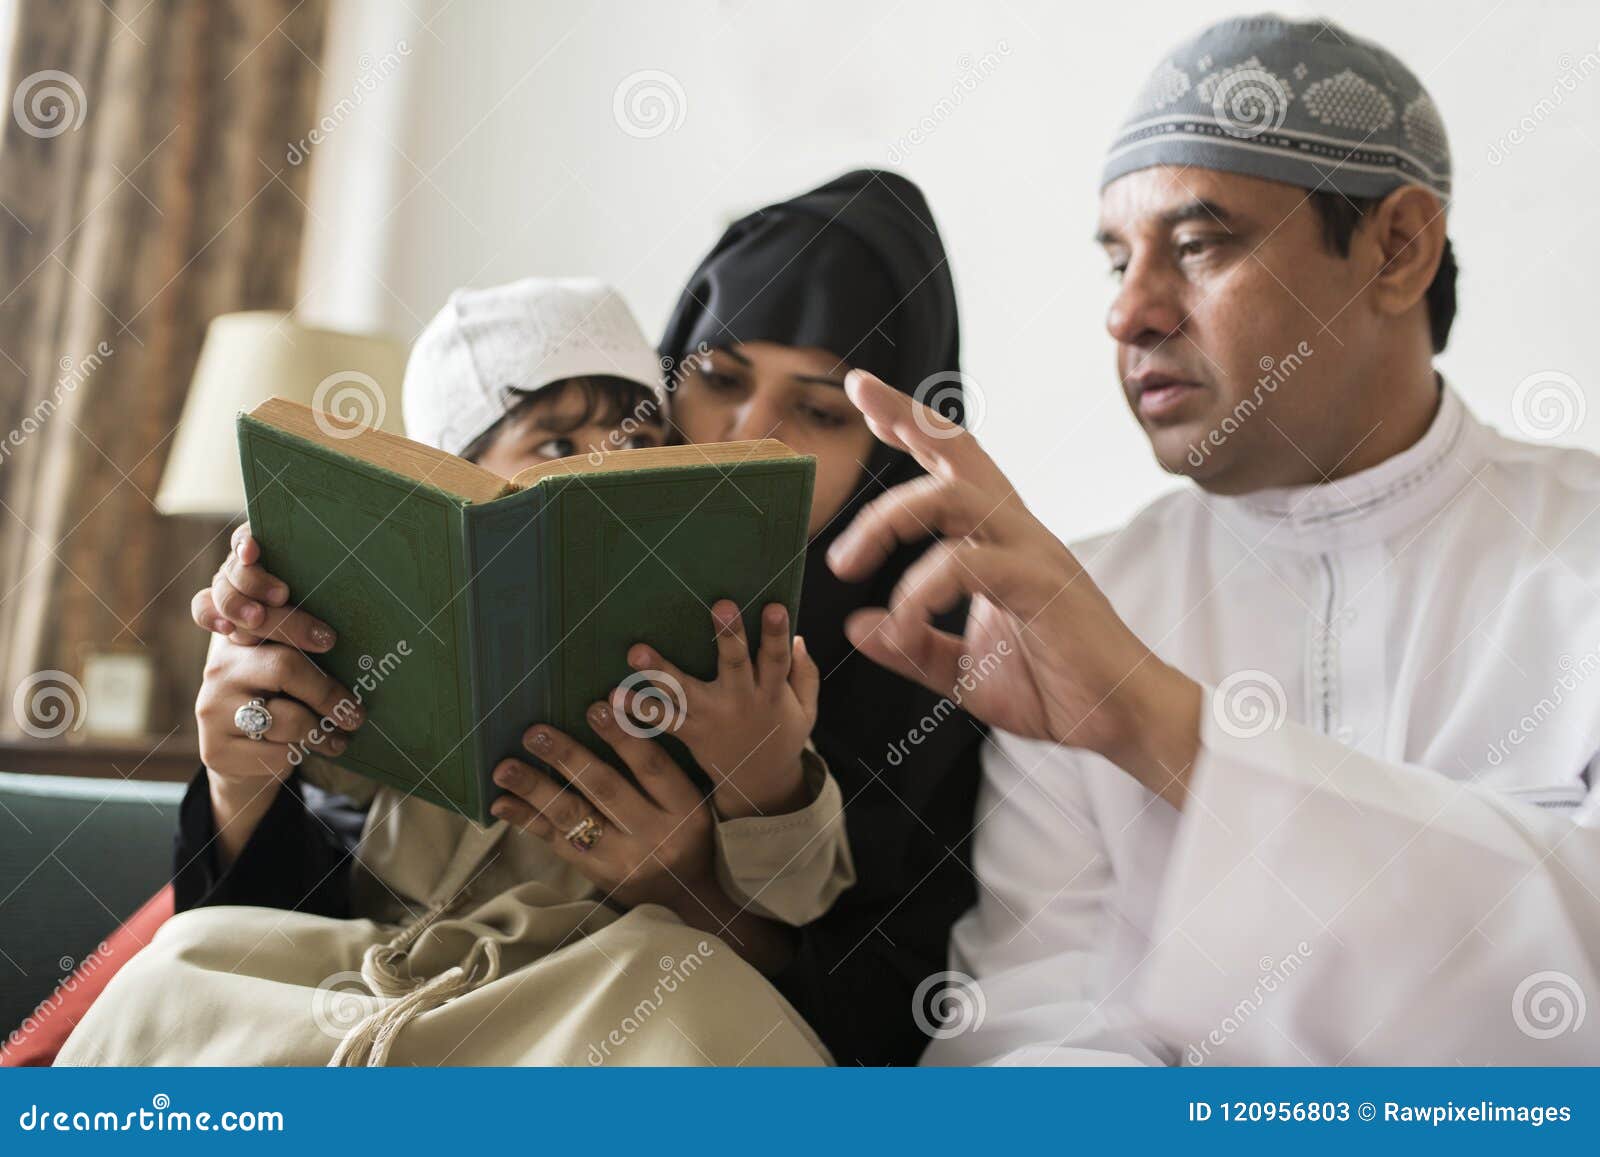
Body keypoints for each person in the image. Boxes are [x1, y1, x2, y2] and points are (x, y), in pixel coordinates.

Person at [822, 17, 1600, 1064]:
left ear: (1398, 246)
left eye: (1199, 245)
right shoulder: (1084, 599)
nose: (1130, 313)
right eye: (1115, 261)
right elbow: (1033, 1023)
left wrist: (1162, 727)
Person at [56, 277, 854, 1067]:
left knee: (693, 994)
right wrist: (249, 732)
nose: (603, 469)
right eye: (554, 447)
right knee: (183, 958)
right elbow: (310, 805)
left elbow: (801, 902)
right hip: (370, 973)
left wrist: (766, 773)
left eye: (638, 445)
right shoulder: (385, 632)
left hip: (581, 996)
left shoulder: (709, 662)